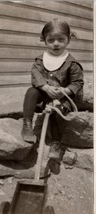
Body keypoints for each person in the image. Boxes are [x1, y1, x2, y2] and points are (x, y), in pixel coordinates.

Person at [21, 18, 84, 164]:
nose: (56, 43)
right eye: (51, 40)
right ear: (44, 40)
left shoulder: (72, 63)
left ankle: (56, 142)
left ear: (68, 40)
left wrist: (65, 91)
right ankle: (27, 125)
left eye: (61, 40)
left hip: (61, 98)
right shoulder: (40, 60)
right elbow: (35, 75)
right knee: (31, 91)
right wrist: (46, 87)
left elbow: (77, 82)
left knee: (56, 110)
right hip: (44, 96)